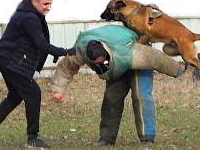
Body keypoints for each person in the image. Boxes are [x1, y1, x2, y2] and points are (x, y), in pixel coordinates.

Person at [51, 25, 185, 147]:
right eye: (97, 64)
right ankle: (107, 138)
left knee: (141, 96)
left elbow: (155, 58)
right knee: (111, 98)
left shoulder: (130, 52)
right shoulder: (79, 50)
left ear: (105, 51)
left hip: (134, 50)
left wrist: (178, 71)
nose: (100, 65)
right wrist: (58, 90)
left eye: (102, 62)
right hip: (115, 66)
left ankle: (147, 138)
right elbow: (66, 68)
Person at [0, 0, 75, 149]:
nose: (48, 7)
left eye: (50, 4)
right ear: (34, 1)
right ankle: (32, 138)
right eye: (45, 4)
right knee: (33, 93)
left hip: (5, 57)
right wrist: (65, 51)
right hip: (11, 60)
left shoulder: (31, 13)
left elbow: (39, 42)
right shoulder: (29, 18)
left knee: (16, 95)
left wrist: (53, 53)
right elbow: (41, 43)